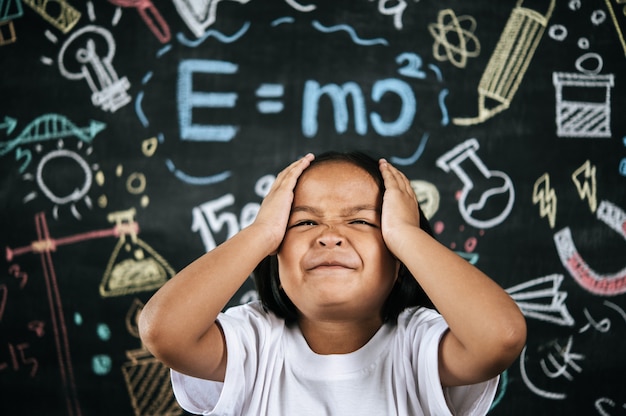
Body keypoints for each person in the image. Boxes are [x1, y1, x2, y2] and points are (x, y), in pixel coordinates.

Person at [139, 151, 527, 415]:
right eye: (304, 222)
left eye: (361, 222)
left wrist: (406, 235)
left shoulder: (419, 346)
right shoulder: (253, 343)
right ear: (275, 252)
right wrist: (260, 232)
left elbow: (502, 337)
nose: (329, 236)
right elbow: (163, 330)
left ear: (401, 262)